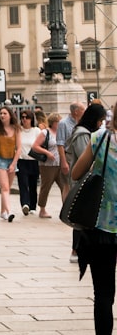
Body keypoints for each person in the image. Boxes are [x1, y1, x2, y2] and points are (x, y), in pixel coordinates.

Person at [71, 101, 117, 335]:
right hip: (103, 230)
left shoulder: (101, 137)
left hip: (101, 228)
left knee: (103, 293)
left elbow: (76, 172)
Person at [67, 102, 108, 264]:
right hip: (84, 182)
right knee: (81, 218)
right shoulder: (83, 134)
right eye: (100, 120)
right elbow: (87, 160)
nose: (100, 124)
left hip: (87, 181)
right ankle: (75, 250)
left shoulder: (88, 132)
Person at [31, 111, 66, 217]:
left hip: (60, 163)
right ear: (53, 122)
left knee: (65, 187)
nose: (60, 124)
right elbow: (35, 146)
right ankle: (42, 209)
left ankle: (65, 209)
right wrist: (47, 152)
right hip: (47, 165)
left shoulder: (62, 133)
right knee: (46, 187)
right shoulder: (45, 133)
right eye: (58, 122)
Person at [16, 108, 41, 216]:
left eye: (27, 117)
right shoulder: (18, 130)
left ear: (31, 119)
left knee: (32, 184)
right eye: (22, 117)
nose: (24, 119)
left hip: (34, 161)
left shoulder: (36, 131)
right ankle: (25, 204)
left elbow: (40, 144)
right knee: (23, 183)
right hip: (21, 160)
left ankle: (33, 206)